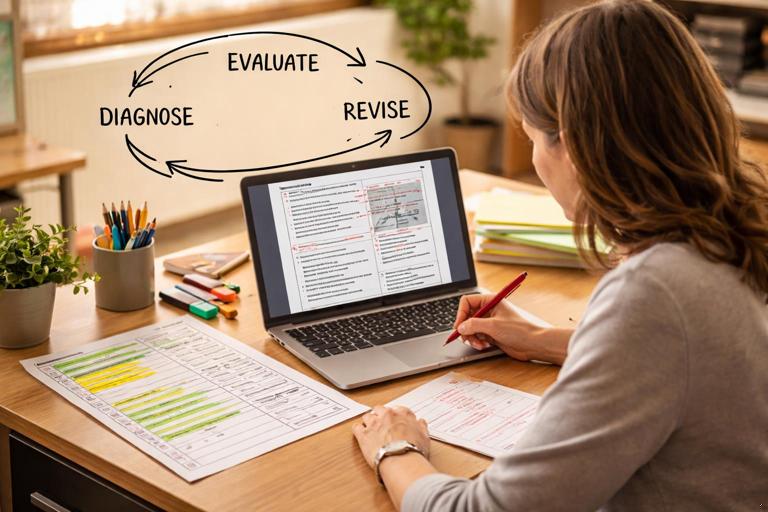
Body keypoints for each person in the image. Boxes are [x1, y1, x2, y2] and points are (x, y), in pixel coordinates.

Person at [352, 1, 768, 510]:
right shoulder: (731, 231)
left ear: (571, 149)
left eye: (531, 138)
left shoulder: (654, 291)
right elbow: (691, 359)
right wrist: (546, 341)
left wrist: (394, 449)